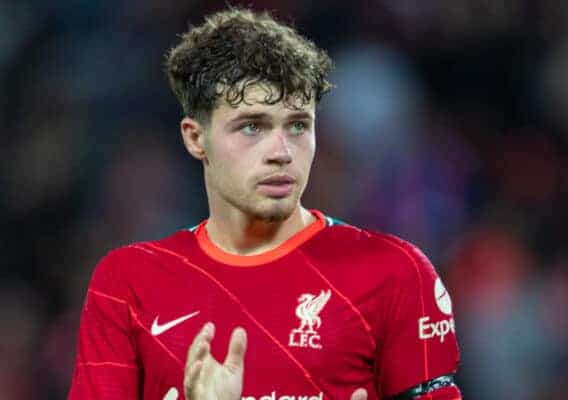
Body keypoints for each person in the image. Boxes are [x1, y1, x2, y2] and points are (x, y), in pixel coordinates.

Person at [68, 8, 461, 400]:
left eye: (297, 125)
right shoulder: (127, 284)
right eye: (252, 126)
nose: (281, 152)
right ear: (195, 138)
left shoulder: (396, 274)